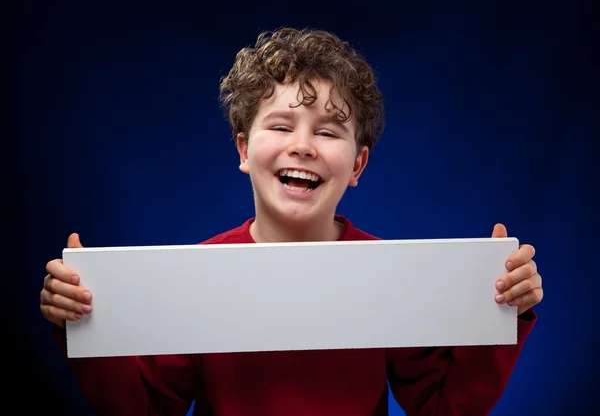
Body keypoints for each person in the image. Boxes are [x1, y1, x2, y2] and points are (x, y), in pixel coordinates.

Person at [40, 27, 543, 416]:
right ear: (243, 149)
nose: (302, 145)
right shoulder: (198, 274)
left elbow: (442, 406)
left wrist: (500, 312)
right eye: (281, 125)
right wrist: (83, 327)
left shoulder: (390, 275)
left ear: (358, 166)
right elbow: (144, 408)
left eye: (328, 132)